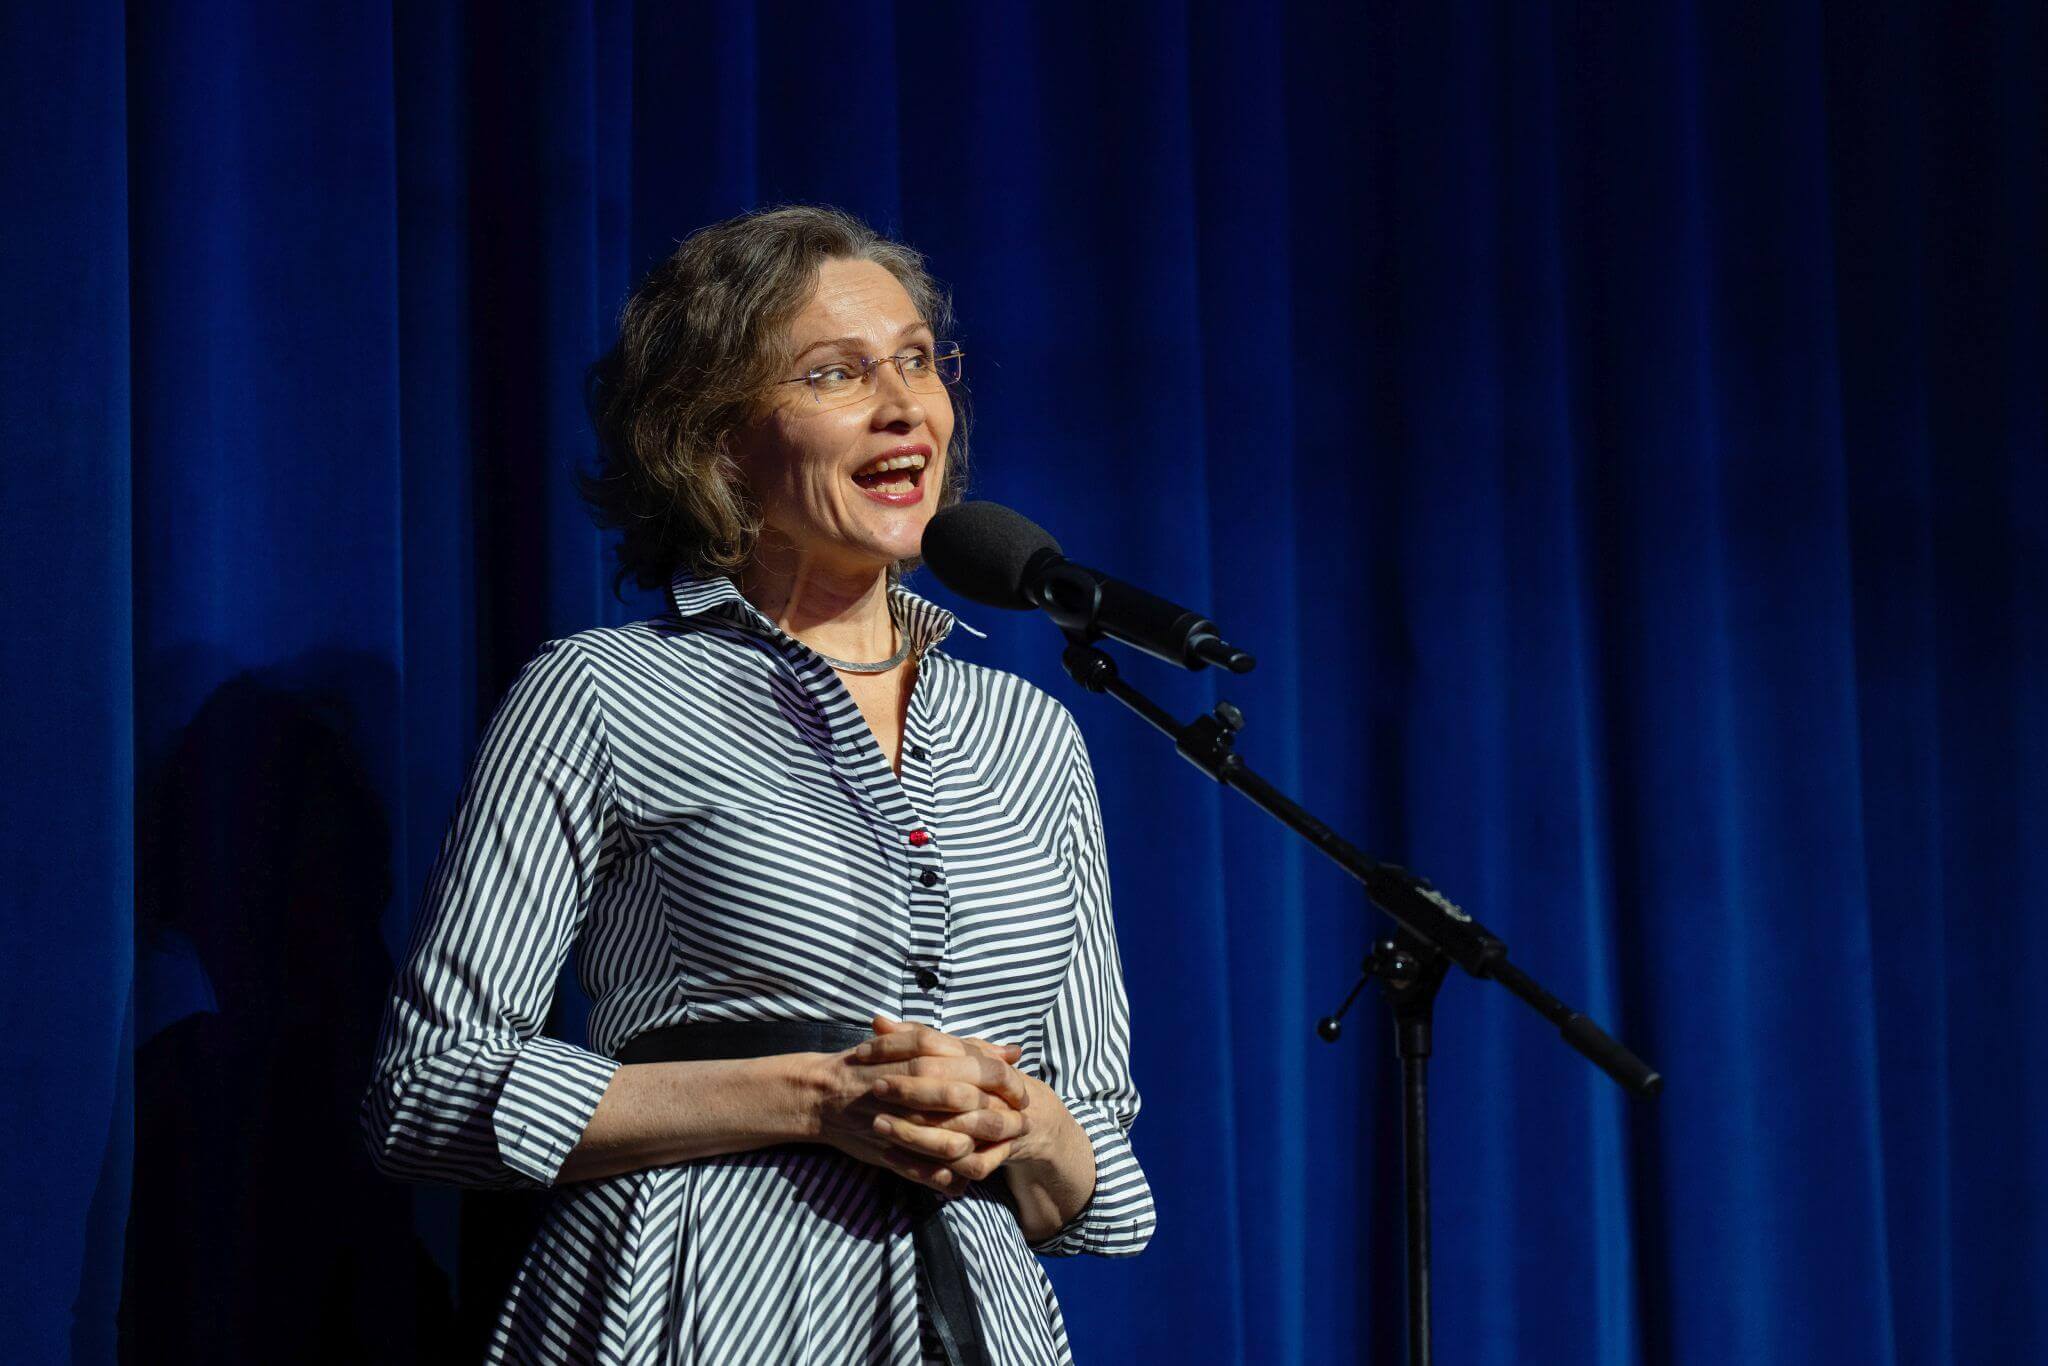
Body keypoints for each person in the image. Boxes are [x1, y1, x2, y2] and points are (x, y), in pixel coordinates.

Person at [360, 204, 1155, 1365]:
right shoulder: (604, 693)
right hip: (689, 1300)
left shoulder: (1029, 735)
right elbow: (429, 1090)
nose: (903, 406)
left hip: (969, 1319)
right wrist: (814, 1099)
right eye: (834, 372)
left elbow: (1100, 1178)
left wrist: (1020, 1123)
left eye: (917, 361)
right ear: (712, 437)